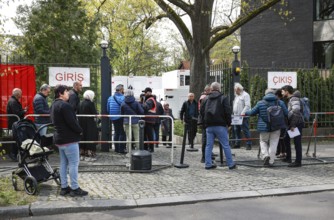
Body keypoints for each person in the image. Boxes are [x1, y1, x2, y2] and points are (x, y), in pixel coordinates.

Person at [50, 84, 88, 197]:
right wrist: (80, 130)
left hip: (59, 139)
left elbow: (52, 121)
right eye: (67, 92)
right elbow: (72, 122)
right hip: (69, 139)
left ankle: (64, 187)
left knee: (63, 163)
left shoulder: (53, 105)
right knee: (73, 164)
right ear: (61, 93)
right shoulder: (65, 106)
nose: (69, 94)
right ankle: (75, 188)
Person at [245, 88, 288, 166]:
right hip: (276, 126)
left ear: (265, 94)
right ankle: (271, 161)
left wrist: (245, 112)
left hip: (263, 127)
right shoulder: (280, 103)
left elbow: (252, 112)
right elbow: (286, 113)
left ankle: (265, 155)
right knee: (274, 143)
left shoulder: (260, 103)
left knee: (263, 141)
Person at [200, 82, 236, 170]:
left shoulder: (205, 99)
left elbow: (201, 112)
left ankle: (208, 164)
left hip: (209, 125)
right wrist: (229, 123)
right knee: (225, 145)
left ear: (211, 89)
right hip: (220, 125)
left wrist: (204, 124)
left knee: (209, 145)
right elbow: (228, 112)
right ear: (219, 89)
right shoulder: (223, 98)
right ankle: (230, 163)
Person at [281, 85, 305, 167]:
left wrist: (293, 125)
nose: (282, 93)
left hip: (296, 124)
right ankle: (288, 158)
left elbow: (296, 112)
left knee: (297, 142)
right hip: (293, 123)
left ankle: (298, 162)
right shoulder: (291, 99)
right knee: (286, 138)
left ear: (287, 91)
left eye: (283, 91)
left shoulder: (294, 99)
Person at [6, 88, 27, 161]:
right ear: (17, 94)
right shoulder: (13, 102)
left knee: (16, 139)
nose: (21, 95)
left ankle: (16, 154)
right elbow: (17, 113)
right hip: (14, 123)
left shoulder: (13, 101)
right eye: (21, 93)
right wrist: (24, 111)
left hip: (15, 123)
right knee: (15, 139)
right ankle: (13, 154)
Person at [78, 90, 98, 162]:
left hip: (81, 123)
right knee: (90, 138)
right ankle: (89, 154)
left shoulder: (80, 103)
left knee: (83, 138)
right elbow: (94, 113)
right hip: (90, 124)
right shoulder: (91, 103)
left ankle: (82, 154)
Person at [232, 83, 252, 150]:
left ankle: (249, 144)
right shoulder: (237, 95)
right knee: (236, 130)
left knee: (245, 129)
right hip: (236, 115)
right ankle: (237, 143)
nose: (235, 91)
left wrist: (243, 113)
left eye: (235, 90)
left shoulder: (245, 95)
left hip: (243, 116)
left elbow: (247, 105)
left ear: (238, 89)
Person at [107, 84, 126, 154]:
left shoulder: (110, 98)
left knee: (116, 132)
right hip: (120, 116)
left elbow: (108, 108)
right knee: (122, 133)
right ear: (121, 90)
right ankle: (121, 149)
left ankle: (116, 148)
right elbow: (124, 107)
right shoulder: (123, 98)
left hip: (112, 117)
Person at [198, 85, 212, 163]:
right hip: (206, 122)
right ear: (206, 90)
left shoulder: (207, 97)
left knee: (208, 140)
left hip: (208, 122)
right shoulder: (203, 98)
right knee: (205, 140)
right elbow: (202, 111)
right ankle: (204, 156)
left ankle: (207, 156)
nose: (211, 91)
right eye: (209, 90)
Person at [141, 87, 156, 152]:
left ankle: (150, 148)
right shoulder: (149, 99)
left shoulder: (150, 100)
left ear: (149, 92)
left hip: (149, 119)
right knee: (146, 134)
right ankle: (146, 147)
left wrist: (141, 103)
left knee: (149, 135)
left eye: (145, 92)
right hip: (148, 119)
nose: (144, 94)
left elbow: (146, 107)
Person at [275, 89, 287, 159]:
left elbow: (285, 112)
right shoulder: (282, 101)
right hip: (282, 122)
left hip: (280, 122)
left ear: (277, 95)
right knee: (281, 138)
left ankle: (281, 152)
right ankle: (281, 152)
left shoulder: (280, 102)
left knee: (280, 138)